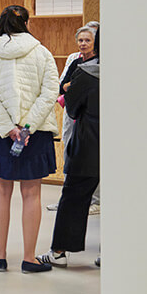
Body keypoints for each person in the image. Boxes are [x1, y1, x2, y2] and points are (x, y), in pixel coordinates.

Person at [0, 5, 59, 273]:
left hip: (0, 133)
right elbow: (50, 92)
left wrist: (8, 127)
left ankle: (0, 257)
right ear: (27, 23)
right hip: (35, 133)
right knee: (31, 193)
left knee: (0, 191)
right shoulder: (42, 52)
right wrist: (27, 127)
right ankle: (29, 258)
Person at [39, 28, 100, 267]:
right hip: (119, 147)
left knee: (74, 197)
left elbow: (72, 109)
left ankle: (59, 252)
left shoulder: (86, 74)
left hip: (88, 144)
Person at [47, 22, 100, 213]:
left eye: (88, 40)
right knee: (70, 155)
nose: (83, 43)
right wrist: (71, 86)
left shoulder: (99, 63)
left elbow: (74, 87)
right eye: (80, 40)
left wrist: (73, 86)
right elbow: (62, 86)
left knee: (92, 160)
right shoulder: (75, 61)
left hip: (91, 119)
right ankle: (68, 199)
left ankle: (95, 201)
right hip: (72, 115)